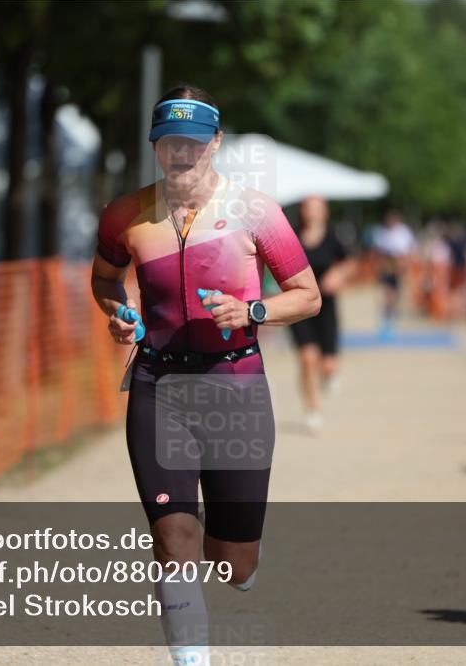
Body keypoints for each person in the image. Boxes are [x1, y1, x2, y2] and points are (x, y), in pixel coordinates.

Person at [90, 83, 320, 665]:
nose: (181, 154)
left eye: (193, 142)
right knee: (174, 542)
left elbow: (308, 296)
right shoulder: (125, 215)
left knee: (233, 563)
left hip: (235, 388)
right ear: (156, 146)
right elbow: (103, 279)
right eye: (168, 142)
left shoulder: (257, 212)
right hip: (158, 388)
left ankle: (240, 554)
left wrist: (253, 311)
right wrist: (119, 312)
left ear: (215, 143)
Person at [288, 196, 354, 431]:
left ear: (325, 211)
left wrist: (338, 274)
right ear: (302, 210)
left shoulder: (334, 237)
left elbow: (349, 263)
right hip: (299, 305)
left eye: (317, 208)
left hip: (326, 306)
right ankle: (312, 408)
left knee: (328, 364)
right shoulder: (292, 236)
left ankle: (327, 373)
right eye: (308, 207)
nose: (312, 212)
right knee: (307, 358)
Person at [371, 209, 416, 331]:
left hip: (399, 264)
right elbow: (379, 251)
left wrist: (404, 264)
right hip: (388, 265)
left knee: (396, 292)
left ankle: (392, 313)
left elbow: (408, 250)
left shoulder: (403, 232)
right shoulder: (382, 232)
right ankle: (388, 316)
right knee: (388, 292)